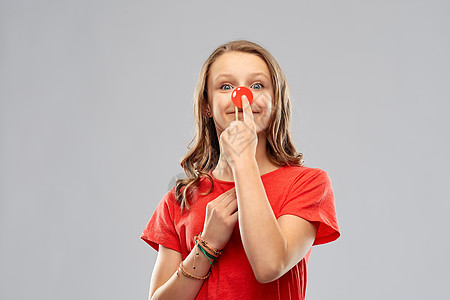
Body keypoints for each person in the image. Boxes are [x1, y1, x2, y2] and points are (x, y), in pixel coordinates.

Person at [140, 40, 340, 300]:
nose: (241, 96)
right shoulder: (178, 201)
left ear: (275, 101)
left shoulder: (308, 184)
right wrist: (208, 244)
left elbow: (270, 265)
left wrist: (243, 158)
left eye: (257, 85)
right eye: (226, 86)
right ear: (207, 106)